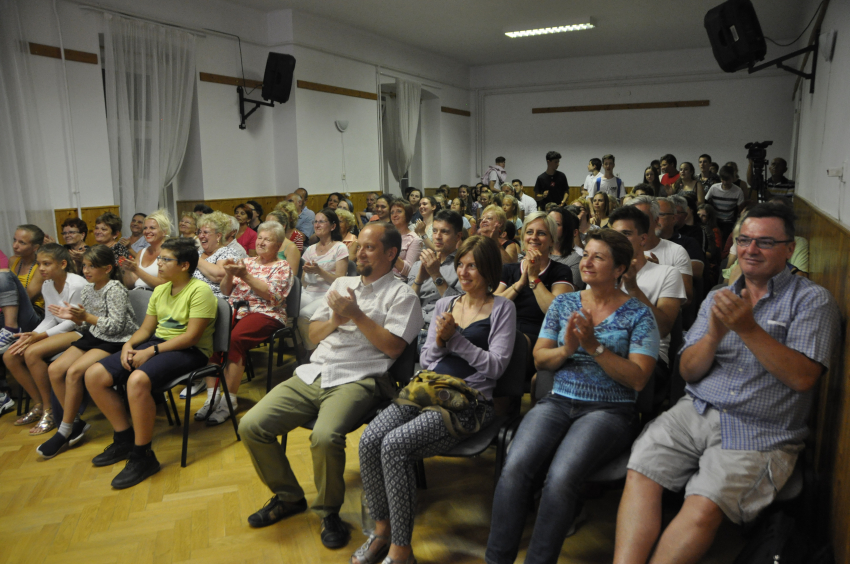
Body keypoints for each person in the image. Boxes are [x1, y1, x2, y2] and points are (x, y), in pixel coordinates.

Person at [613, 203, 840, 564]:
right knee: (641, 470)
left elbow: (803, 377)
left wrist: (748, 329)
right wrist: (713, 337)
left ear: (788, 247)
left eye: (765, 242)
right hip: (696, 410)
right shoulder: (720, 295)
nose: (751, 250)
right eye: (744, 240)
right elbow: (688, 371)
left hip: (761, 427)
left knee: (704, 503)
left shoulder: (812, 301)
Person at [239, 223, 423, 549]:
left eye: (369, 247)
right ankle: (288, 496)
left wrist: (356, 314)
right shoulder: (341, 283)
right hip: (316, 371)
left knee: (324, 437)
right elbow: (312, 337)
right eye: (359, 246)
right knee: (251, 425)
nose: (359, 252)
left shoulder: (402, 295)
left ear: (391, 253)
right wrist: (336, 321)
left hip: (361, 377)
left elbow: (394, 348)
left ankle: (329, 512)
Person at [487, 229, 659, 564]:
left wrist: (594, 348)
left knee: (561, 478)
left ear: (620, 268)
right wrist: (567, 348)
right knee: (515, 467)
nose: (587, 262)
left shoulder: (639, 314)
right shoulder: (564, 303)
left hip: (609, 411)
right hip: (557, 400)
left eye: (599, 257)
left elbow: (639, 380)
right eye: (587, 255)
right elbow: (540, 358)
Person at [356, 236, 515, 564]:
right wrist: (443, 340)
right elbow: (428, 359)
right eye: (461, 264)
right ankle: (381, 531)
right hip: (427, 387)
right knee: (370, 440)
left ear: (488, 270)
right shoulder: (446, 304)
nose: (465, 271)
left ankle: (402, 550)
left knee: (395, 446)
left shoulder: (503, 308)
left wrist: (455, 340)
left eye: (473, 265)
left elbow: (496, 368)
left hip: (470, 399)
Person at [84, 238, 218, 489]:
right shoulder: (160, 290)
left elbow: (191, 337)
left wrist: (152, 352)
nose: (159, 263)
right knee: (94, 375)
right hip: (159, 344)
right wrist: (129, 346)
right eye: (160, 258)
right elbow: (146, 329)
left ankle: (142, 454)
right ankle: (124, 437)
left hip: (191, 351)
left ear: (184, 265)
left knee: (137, 380)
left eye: (166, 259)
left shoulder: (200, 291)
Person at [36, 245, 138, 458]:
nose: (86, 271)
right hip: (96, 336)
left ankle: (64, 430)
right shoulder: (88, 289)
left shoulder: (115, 289)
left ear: (108, 268)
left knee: (74, 372)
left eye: (92, 266)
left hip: (116, 341)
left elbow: (116, 327)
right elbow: (86, 327)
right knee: (55, 370)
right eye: (84, 266)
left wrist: (86, 318)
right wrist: (74, 318)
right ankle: (74, 423)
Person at [195, 222, 293, 426]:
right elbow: (225, 291)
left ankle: (228, 402)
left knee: (234, 340)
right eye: (260, 238)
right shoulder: (244, 261)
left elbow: (272, 297)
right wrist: (230, 274)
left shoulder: (282, 266)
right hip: (236, 310)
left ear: (278, 245)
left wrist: (245, 276)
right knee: (210, 335)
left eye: (267, 239)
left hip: (266, 313)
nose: (261, 242)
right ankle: (212, 397)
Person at [3, 244, 86, 434]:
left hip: (81, 330)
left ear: (63, 264)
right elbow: (50, 318)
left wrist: (39, 337)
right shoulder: (47, 284)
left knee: (32, 352)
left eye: (46, 264)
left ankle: (50, 410)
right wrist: (32, 335)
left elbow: (73, 322)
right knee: (11, 355)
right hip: (58, 330)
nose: (41, 268)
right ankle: (39, 403)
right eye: (39, 264)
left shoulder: (76, 284)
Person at [610, 206, 686, 391]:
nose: (618, 241)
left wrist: (633, 289)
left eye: (626, 234)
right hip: (604, 347)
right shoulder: (602, 272)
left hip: (648, 355)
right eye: (614, 235)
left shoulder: (668, 273)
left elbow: (663, 328)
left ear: (643, 238)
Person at [495, 211, 573, 357]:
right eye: (529, 232)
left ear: (551, 240)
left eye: (541, 233)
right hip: (503, 331)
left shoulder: (561, 271)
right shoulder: (509, 269)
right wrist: (518, 285)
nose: (534, 237)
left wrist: (534, 278)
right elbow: (492, 307)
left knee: (515, 341)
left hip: (540, 337)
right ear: (523, 237)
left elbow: (556, 313)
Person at [409, 209, 464, 350]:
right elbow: (406, 304)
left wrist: (436, 275)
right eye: (434, 231)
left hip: (441, 333)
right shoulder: (419, 263)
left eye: (444, 232)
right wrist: (419, 280)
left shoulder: (463, 267)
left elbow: (459, 307)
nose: (437, 237)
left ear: (458, 236)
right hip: (412, 331)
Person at [297, 209, 349, 351]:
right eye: (315, 221)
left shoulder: (340, 247)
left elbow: (341, 280)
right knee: (287, 311)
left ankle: (311, 352)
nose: (317, 225)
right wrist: (307, 273)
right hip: (309, 292)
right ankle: (300, 347)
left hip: (328, 293)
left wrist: (319, 271)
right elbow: (303, 283)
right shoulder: (310, 250)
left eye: (321, 221)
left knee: (303, 315)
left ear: (332, 226)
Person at [627, 196, 694, 304]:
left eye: (642, 218)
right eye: (631, 218)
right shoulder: (618, 252)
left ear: (656, 221)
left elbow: (687, 298)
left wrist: (658, 273)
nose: (635, 223)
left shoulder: (676, 251)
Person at [0, 225, 46, 353]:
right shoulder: (13, 260)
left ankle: (11, 329)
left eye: (22, 243)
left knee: (3, 275)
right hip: (11, 315)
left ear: (35, 248)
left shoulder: (40, 266)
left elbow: (27, 297)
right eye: (14, 240)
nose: (15, 246)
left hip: (33, 315)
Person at [193, 211, 244, 298]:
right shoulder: (199, 253)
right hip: (193, 297)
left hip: (214, 300)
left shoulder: (227, 252)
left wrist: (194, 258)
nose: (201, 236)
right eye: (199, 232)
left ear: (218, 236)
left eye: (205, 232)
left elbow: (219, 275)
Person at [121, 210, 170, 290]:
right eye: (145, 228)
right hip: (136, 295)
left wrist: (136, 270)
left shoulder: (169, 253)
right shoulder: (141, 252)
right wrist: (127, 270)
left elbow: (162, 285)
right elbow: (130, 285)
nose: (147, 231)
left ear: (164, 232)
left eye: (152, 228)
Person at [706, 164, 747, 242]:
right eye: (722, 179)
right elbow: (706, 203)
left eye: (727, 180)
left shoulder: (738, 191)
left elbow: (740, 209)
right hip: (714, 220)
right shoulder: (714, 188)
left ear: (733, 178)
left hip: (729, 222)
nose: (724, 182)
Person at [548, 207, 583, 290]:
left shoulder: (575, 259)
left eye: (556, 224)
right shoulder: (539, 252)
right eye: (548, 223)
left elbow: (566, 295)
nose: (550, 227)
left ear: (567, 229)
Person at [389, 199, 422, 280]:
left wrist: (391, 252)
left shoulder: (415, 239)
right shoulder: (387, 235)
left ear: (407, 215)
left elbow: (409, 271)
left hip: (400, 281)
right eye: (392, 212)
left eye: (399, 211)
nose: (394, 215)